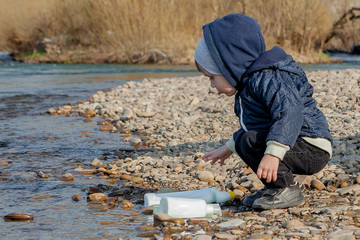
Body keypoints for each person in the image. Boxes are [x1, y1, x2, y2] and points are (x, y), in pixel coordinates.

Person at [194, 13, 332, 210]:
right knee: (244, 141)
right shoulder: (247, 84)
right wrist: (229, 147)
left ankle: (287, 189)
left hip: (311, 145)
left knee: (249, 141)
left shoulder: (269, 78)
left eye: (212, 77)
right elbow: (258, 125)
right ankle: (275, 188)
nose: (212, 86)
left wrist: (273, 154)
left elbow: (290, 114)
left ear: (229, 66)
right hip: (293, 142)